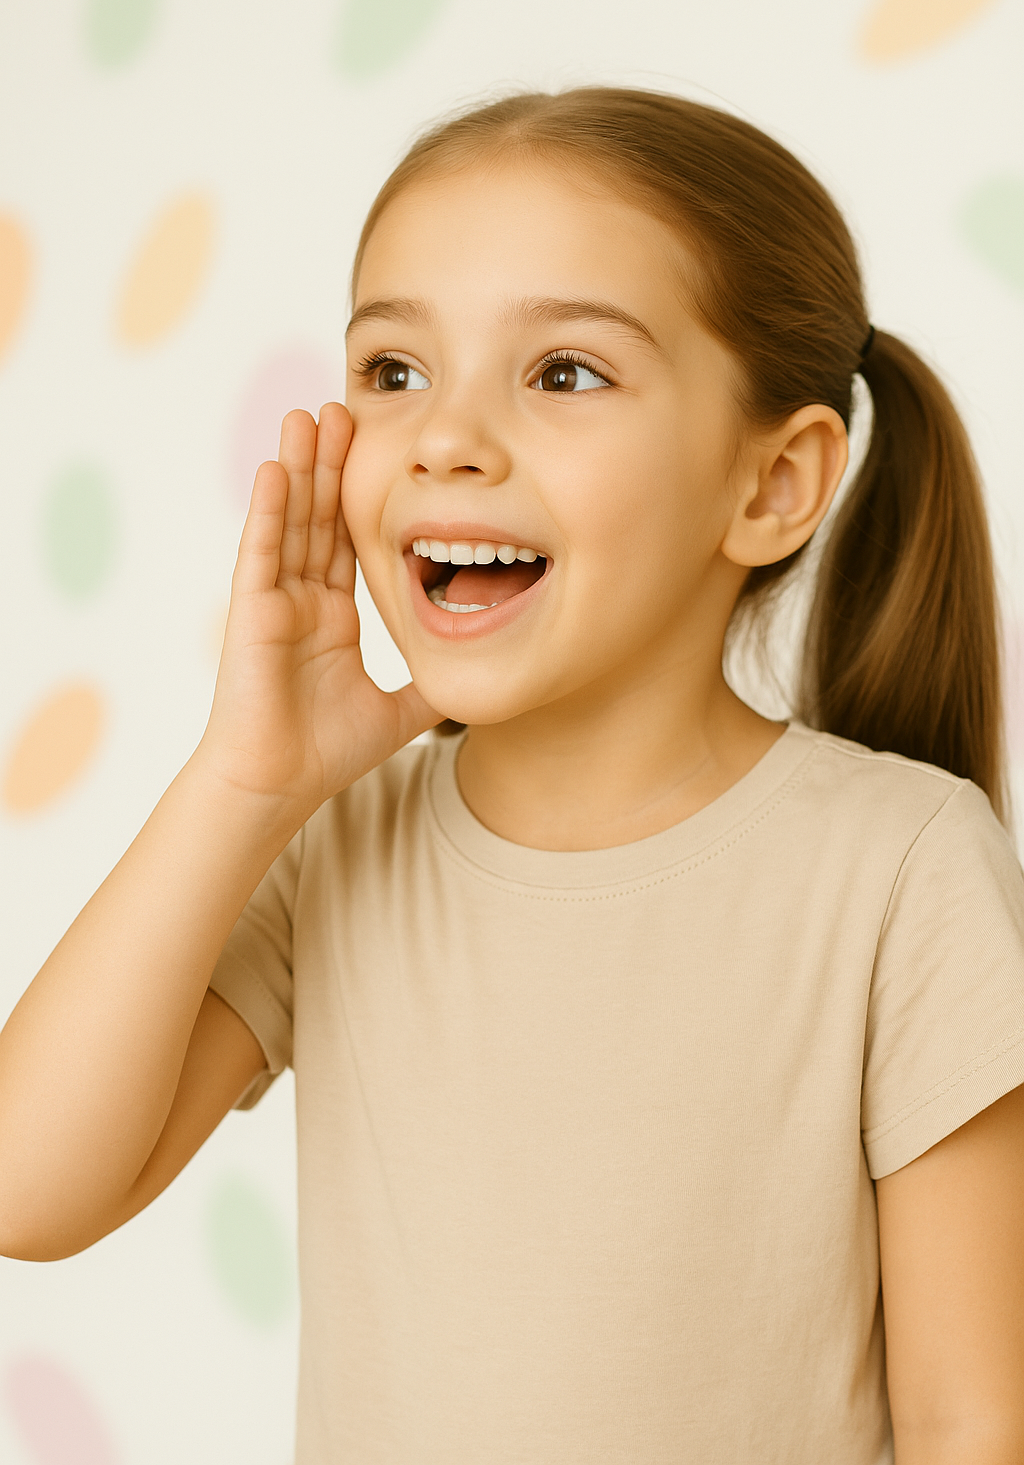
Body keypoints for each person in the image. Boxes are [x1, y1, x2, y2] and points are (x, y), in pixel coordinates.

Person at [2, 86, 1024, 1464]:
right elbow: (28, 1188)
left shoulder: (901, 867)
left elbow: (972, 1422)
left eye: (564, 374)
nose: (445, 439)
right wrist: (245, 782)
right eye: (394, 371)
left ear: (774, 485)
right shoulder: (333, 842)